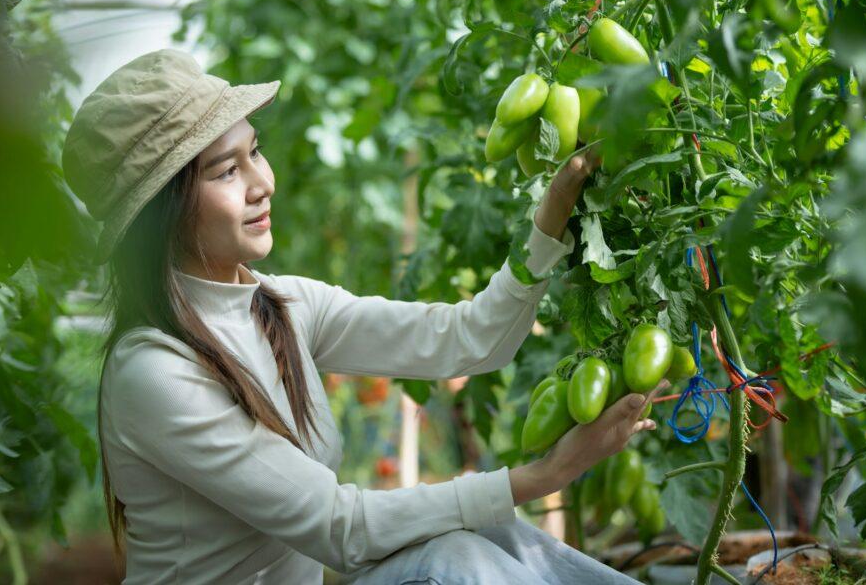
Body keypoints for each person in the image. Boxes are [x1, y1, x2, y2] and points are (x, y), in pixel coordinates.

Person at [61, 49, 661, 584]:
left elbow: (468, 339)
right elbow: (340, 528)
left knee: (486, 532)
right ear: (163, 214)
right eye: (226, 171)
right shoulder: (155, 372)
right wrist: (544, 475)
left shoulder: (284, 306)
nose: (261, 183)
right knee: (453, 553)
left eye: (255, 153)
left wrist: (551, 215)